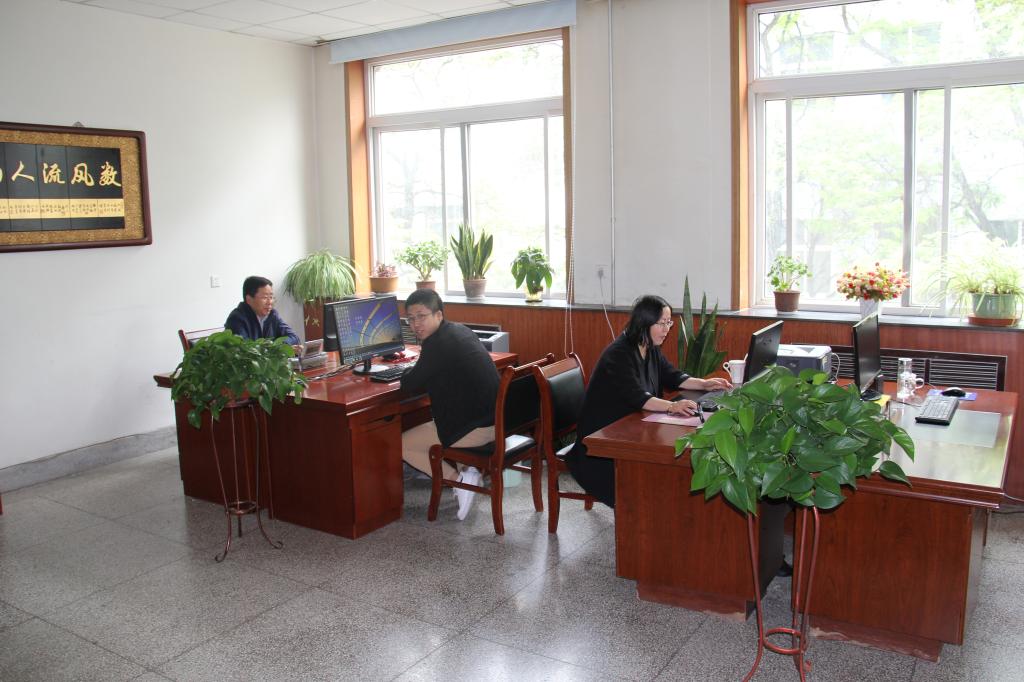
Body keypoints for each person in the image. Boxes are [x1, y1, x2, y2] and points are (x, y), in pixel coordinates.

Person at [566, 294, 732, 508]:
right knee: (644, 483)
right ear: (644, 323)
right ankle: (642, 517)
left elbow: (672, 375)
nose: (667, 329)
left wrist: (704, 384)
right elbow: (638, 396)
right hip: (602, 444)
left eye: (669, 323)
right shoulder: (618, 354)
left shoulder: (649, 347)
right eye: (661, 323)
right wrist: (672, 406)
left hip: (631, 428)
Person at [399, 289, 500, 520]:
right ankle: (468, 470)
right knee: (435, 417)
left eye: (421, 316)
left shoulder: (436, 345)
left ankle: (460, 481)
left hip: (475, 430)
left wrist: (404, 371)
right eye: (410, 319)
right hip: (498, 422)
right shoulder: (459, 330)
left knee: (401, 445)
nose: (415, 324)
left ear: (439, 315)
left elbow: (409, 383)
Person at [225, 275, 300, 345]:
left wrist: (282, 346)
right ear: (249, 299)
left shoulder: (272, 314)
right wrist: (275, 348)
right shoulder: (236, 319)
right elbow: (245, 349)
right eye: (265, 297)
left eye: (271, 297)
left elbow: (294, 337)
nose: (270, 302)